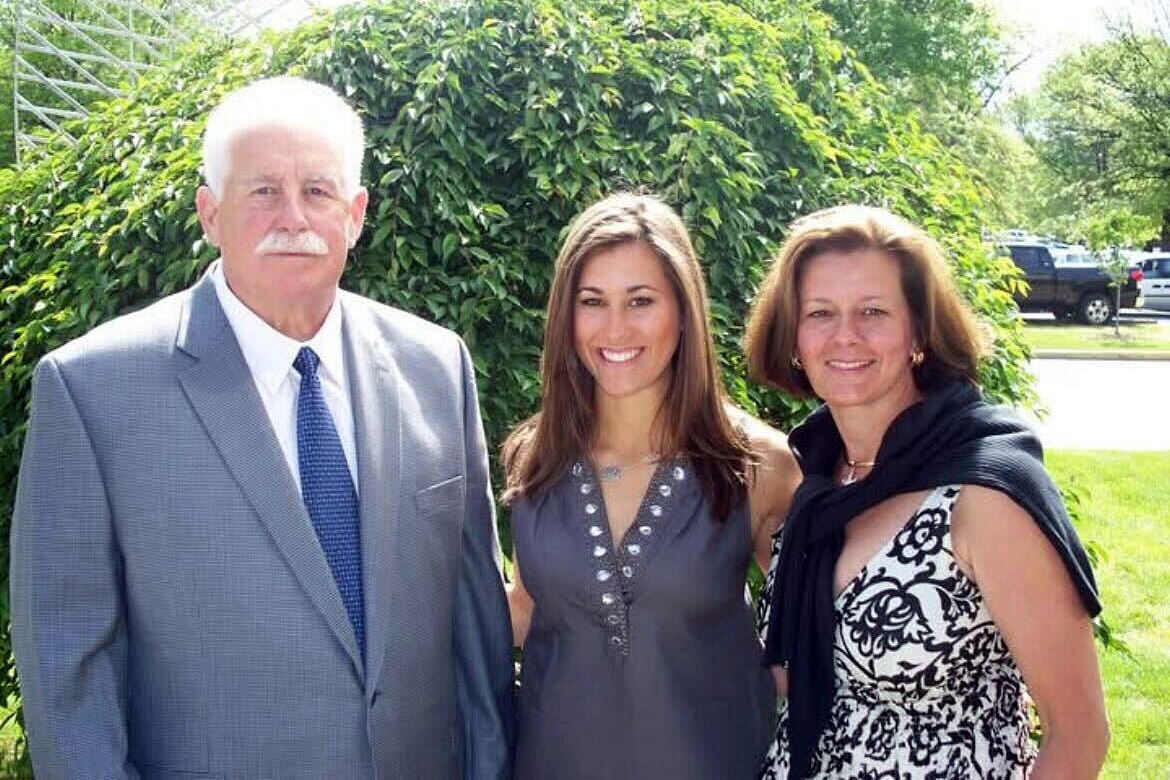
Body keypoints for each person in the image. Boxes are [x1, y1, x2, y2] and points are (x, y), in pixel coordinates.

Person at [10, 76, 514, 779]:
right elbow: (68, 674)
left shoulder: (434, 366)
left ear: (356, 213)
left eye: (318, 190)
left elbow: (476, 631)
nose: (294, 217)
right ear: (209, 214)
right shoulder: (94, 393)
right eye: (263, 191)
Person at [743, 204, 1109, 779]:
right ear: (793, 336)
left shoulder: (983, 495)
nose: (846, 335)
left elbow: (1079, 734)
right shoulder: (818, 481)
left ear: (918, 330)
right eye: (820, 313)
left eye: (874, 311)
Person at [501, 192, 801, 779]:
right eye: (593, 302)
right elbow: (529, 605)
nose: (615, 328)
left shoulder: (758, 463)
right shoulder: (536, 458)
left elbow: (815, 640)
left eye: (641, 301)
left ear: (683, 311)